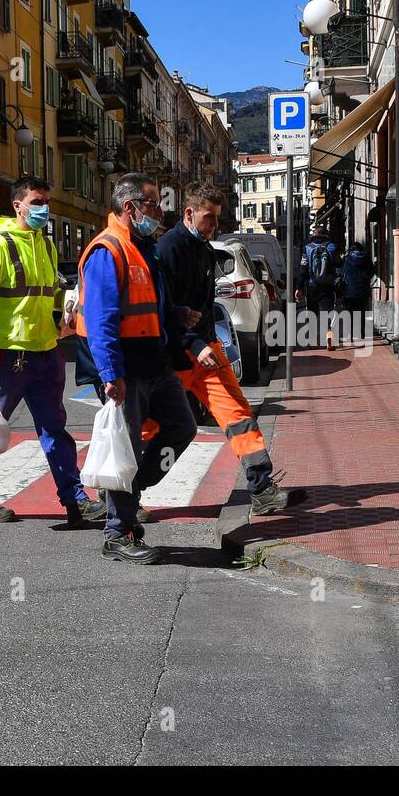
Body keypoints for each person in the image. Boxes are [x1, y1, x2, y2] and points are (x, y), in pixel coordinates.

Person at [0, 175, 105, 528]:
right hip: (7, 355)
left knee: (55, 430)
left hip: (45, 352)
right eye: (37, 202)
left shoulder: (46, 244)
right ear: (18, 205)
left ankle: (75, 501)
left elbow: (48, 291)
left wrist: (66, 307)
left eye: (46, 203)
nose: (43, 209)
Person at [155, 182, 306, 518]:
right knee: (152, 427)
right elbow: (164, 311)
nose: (214, 226)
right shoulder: (169, 248)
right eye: (209, 218)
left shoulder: (205, 250)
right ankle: (123, 494)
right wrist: (194, 344)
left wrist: (211, 341)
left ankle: (262, 487)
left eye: (218, 219)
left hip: (207, 349)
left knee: (238, 414)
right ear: (190, 214)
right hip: (177, 355)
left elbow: (203, 308)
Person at [73, 172, 198, 564]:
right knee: (124, 448)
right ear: (130, 208)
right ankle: (118, 531)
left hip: (155, 363)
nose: (160, 210)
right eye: (153, 203)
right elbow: (101, 319)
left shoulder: (143, 246)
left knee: (182, 427)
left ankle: (130, 488)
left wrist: (176, 315)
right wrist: (111, 375)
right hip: (125, 370)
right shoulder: (107, 250)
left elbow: (147, 304)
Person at [295, 219, 340, 351]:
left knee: (312, 313)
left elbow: (303, 270)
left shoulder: (308, 248)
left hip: (312, 286)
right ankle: (329, 336)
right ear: (325, 235)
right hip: (328, 286)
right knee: (328, 313)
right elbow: (338, 263)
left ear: (314, 236)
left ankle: (314, 340)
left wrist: (299, 288)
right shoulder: (331, 246)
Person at [338, 239, 372, 343]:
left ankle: (350, 334)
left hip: (349, 289)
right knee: (361, 311)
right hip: (363, 289)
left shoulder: (347, 258)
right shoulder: (366, 257)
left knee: (349, 312)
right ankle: (360, 333)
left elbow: (341, 272)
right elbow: (372, 271)